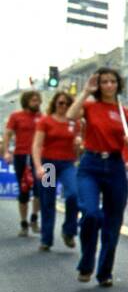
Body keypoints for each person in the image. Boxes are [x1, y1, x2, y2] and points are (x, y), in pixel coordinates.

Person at [66, 69, 128, 285]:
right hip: (91, 164)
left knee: (113, 222)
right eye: (104, 82)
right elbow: (70, 116)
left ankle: (105, 272)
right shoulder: (90, 106)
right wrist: (85, 92)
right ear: (99, 84)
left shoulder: (124, 112)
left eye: (113, 81)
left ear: (118, 84)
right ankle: (86, 263)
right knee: (91, 214)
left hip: (115, 165)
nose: (109, 85)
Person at [31, 91, 81, 252]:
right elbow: (37, 145)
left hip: (67, 164)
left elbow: (80, 148)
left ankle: (69, 231)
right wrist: (39, 166)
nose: (64, 106)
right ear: (55, 104)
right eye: (61, 103)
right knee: (47, 201)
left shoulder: (75, 123)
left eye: (67, 103)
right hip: (49, 165)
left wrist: (79, 145)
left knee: (73, 194)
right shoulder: (45, 121)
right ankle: (46, 239)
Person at [4, 90, 42, 236]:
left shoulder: (43, 118)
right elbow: (7, 134)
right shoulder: (16, 116)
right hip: (22, 156)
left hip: (39, 157)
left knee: (42, 188)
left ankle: (34, 218)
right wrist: (7, 151)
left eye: (38, 100)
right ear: (26, 101)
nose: (37, 103)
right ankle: (23, 222)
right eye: (33, 100)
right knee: (24, 190)